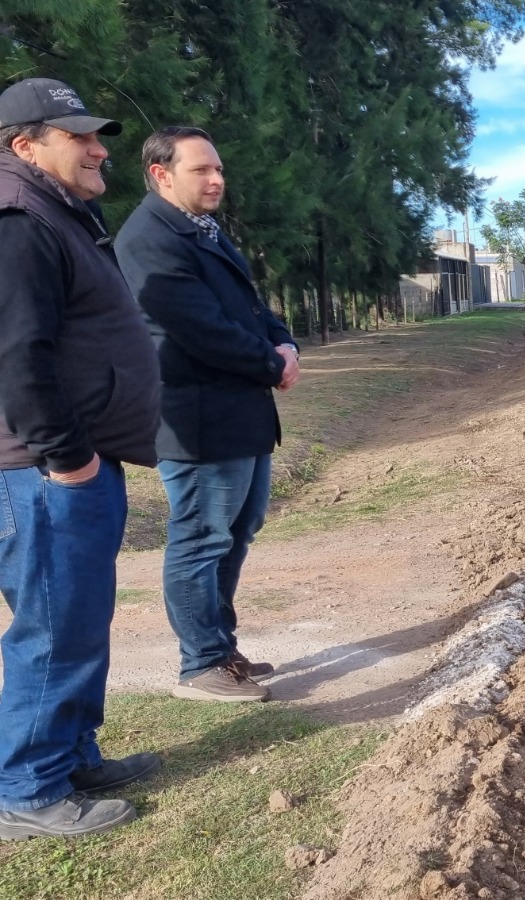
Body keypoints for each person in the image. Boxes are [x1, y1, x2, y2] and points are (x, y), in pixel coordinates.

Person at [0, 77, 163, 840]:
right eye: (79, 137)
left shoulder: (59, 212)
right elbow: (17, 356)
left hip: (74, 463)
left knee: (82, 619)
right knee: (54, 626)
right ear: (24, 145)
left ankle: (70, 756)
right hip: (43, 473)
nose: (99, 148)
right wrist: (68, 461)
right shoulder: (18, 222)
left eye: (97, 134)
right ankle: (30, 789)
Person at [116, 126, 299, 703]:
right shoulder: (148, 238)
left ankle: (220, 648)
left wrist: (284, 342)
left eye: (218, 168)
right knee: (200, 538)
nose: (217, 179)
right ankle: (200, 665)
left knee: (237, 532)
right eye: (202, 170)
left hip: (239, 414)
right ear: (160, 174)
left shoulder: (203, 229)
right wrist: (271, 364)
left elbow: (250, 305)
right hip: (197, 421)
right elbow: (197, 328)